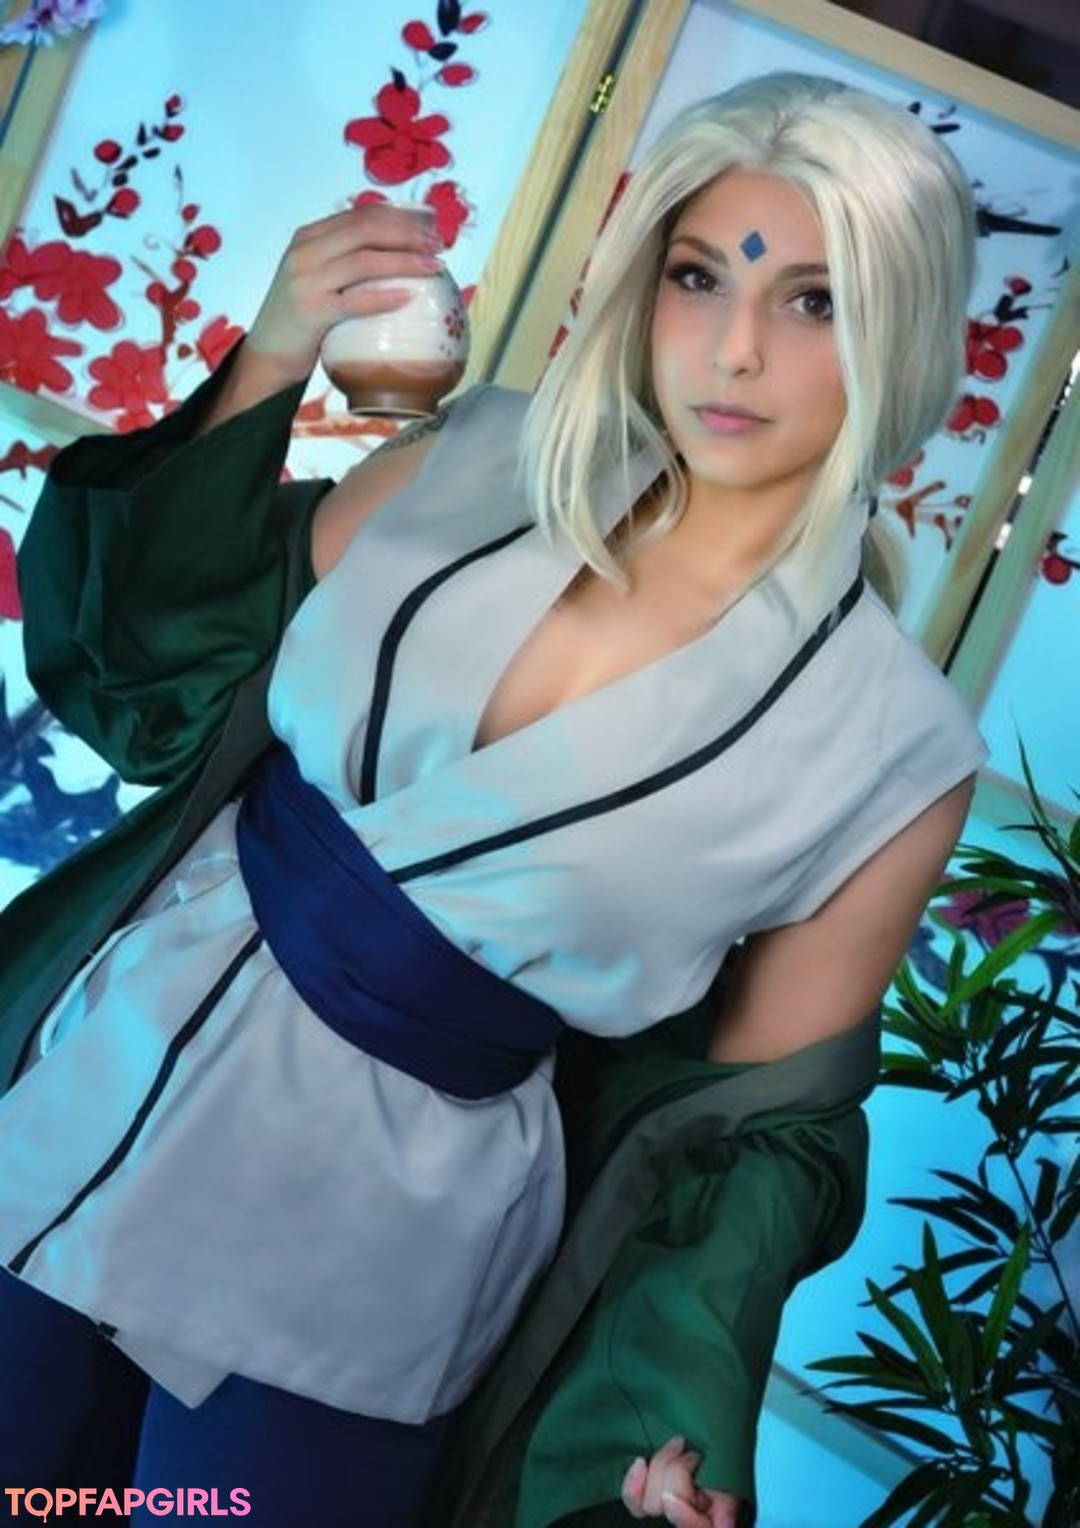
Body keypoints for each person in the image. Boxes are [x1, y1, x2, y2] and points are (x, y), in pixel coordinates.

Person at [0, 71, 984, 1526]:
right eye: (699, 276)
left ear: (902, 330)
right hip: (94, 1090)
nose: (733, 347)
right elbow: (152, 675)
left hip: (372, 1255)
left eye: (815, 302)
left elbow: (746, 1140)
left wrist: (665, 1425)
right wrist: (273, 357)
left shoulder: (894, 747)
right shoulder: (475, 455)